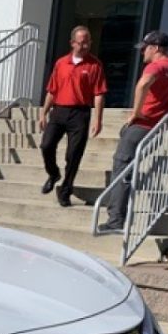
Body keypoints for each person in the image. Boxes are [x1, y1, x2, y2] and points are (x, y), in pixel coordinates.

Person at [98, 31, 168, 234]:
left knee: (121, 170)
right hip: (158, 129)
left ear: (156, 48)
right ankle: (118, 216)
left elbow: (143, 84)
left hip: (142, 126)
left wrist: (136, 112)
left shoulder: (156, 66)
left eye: (145, 48)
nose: (142, 53)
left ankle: (115, 220)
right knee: (128, 171)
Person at [38, 26, 107, 207]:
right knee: (46, 145)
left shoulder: (95, 65)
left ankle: (65, 190)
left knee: (74, 154)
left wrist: (98, 119)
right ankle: (53, 174)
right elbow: (52, 90)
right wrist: (43, 113)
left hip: (80, 113)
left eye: (87, 42)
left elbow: (99, 94)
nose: (84, 46)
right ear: (72, 43)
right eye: (81, 42)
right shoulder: (61, 63)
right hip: (59, 111)